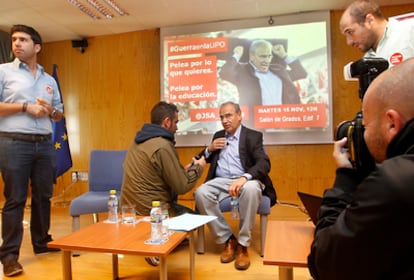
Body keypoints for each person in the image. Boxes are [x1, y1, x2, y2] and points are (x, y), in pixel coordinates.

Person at [308, 58, 414, 279]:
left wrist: (346, 176)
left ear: (392, 123)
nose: (362, 135)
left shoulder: (396, 181)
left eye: (365, 126)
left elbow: (326, 263)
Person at [0, 24, 64, 277]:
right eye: (15, 40)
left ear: (37, 47)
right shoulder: (3, 72)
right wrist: (25, 107)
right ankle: (9, 257)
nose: (17, 44)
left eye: (23, 40)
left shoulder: (49, 80)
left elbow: (59, 114)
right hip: (14, 142)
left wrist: (51, 110)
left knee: (43, 196)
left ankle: (42, 243)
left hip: (44, 143)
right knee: (15, 198)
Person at [194, 101, 276, 271]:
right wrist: (209, 148)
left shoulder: (253, 136)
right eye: (222, 117)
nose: (225, 120)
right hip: (221, 181)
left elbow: (264, 163)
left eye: (229, 115)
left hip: (246, 179)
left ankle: (243, 244)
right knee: (201, 192)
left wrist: (244, 178)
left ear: (239, 115)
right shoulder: (218, 135)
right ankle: (227, 238)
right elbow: (202, 158)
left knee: (252, 188)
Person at [120, 101, 206, 216]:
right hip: (153, 213)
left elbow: (154, 175)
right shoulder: (163, 145)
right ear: (166, 122)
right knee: (196, 218)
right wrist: (199, 167)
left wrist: (182, 173)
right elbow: (182, 186)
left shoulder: (137, 141)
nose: (177, 128)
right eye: (176, 122)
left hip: (129, 211)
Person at [220, 39, 307, 126]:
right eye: (262, 56)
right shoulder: (243, 73)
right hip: (258, 127)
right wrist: (236, 55)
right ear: (252, 56)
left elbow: (301, 73)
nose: (267, 60)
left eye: (269, 56)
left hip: (284, 123)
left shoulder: (279, 70)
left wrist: (284, 56)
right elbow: (225, 73)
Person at [340, 0, 414, 67]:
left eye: (350, 32)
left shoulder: (409, 31)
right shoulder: (367, 60)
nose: (349, 42)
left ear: (370, 20)